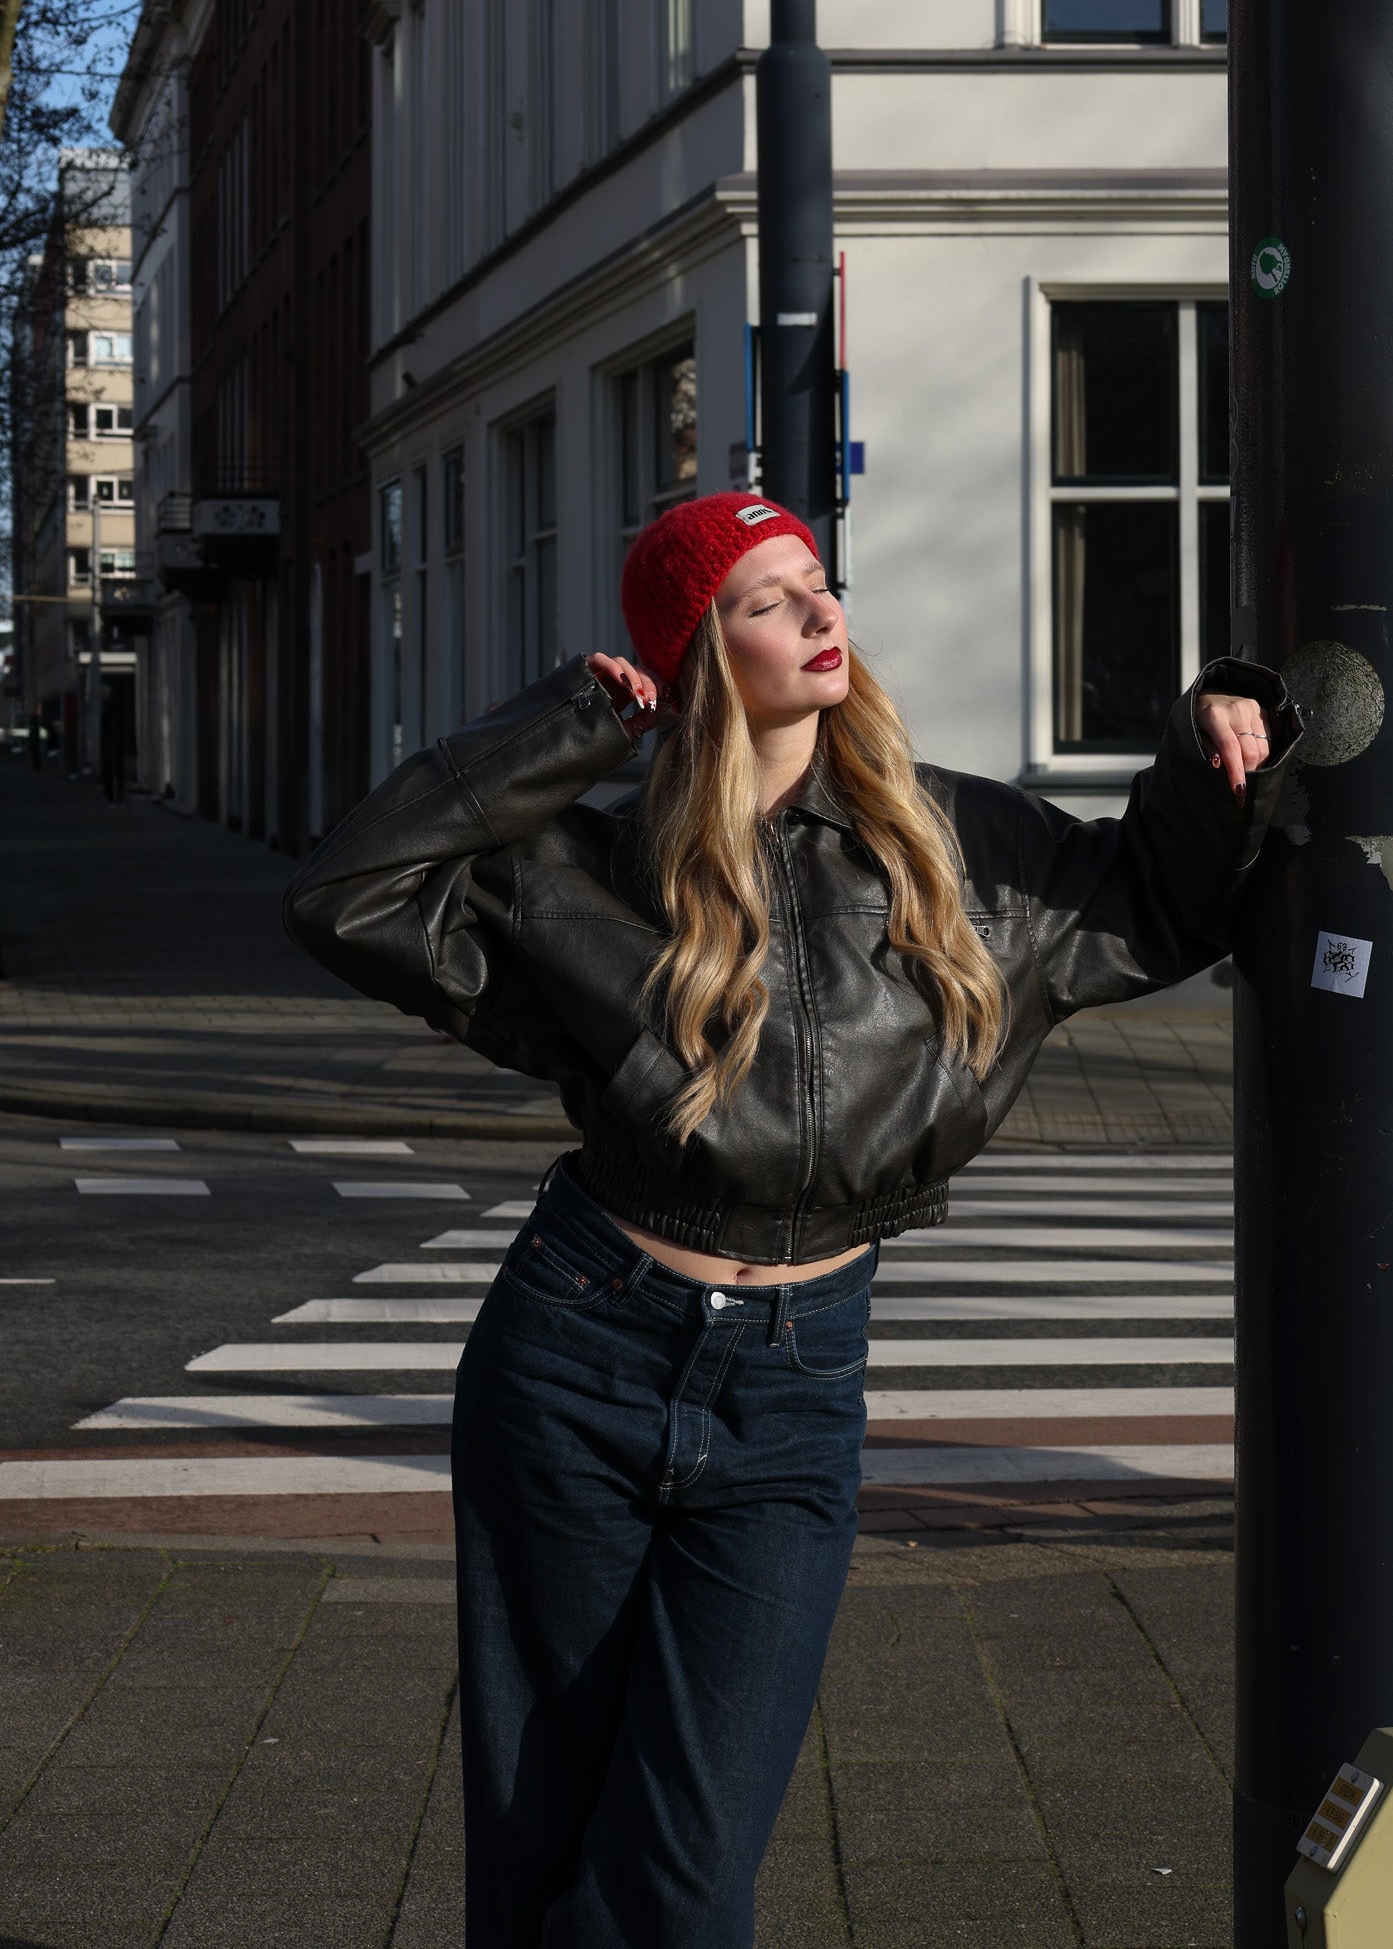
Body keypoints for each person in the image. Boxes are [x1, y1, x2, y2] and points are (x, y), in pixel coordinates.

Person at [282, 491, 1302, 1948]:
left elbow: (1158, 903)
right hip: (578, 1355)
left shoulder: (952, 840)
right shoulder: (589, 869)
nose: (823, 614)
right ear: (701, 653)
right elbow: (346, 893)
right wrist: (570, 723)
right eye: (768, 599)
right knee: (542, 1826)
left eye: (818, 581)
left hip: (799, 1379)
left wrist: (1216, 740)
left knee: (686, 1871)